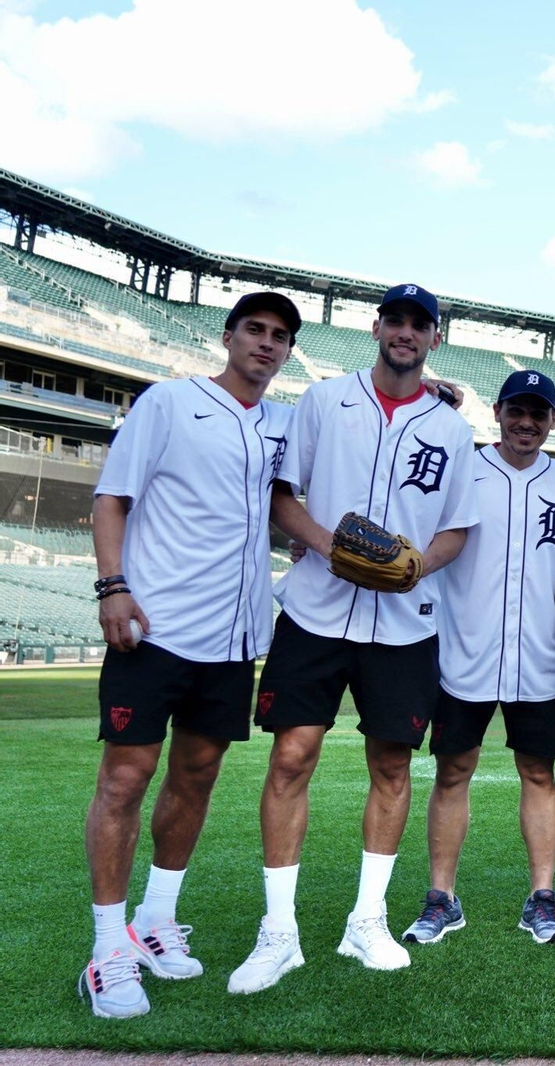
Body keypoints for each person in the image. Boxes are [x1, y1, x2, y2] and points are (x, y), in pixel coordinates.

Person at [228, 283, 479, 993]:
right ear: (376, 327)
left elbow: (458, 530)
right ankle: (278, 933)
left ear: (435, 339)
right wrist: (335, 550)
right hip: (313, 610)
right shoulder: (323, 400)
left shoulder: (453, 430)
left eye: (418, 324)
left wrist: (413, 568)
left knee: (392, 767)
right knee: (291, 758)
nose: (405, 332)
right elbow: (283, 495)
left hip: (402, 625)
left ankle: (365, 921)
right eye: (395, 319)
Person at [80, 292, 297, 1018]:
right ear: (229, 336)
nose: (266, 345)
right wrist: (113, 586)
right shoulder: (169, 404)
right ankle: (108, 947)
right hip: (154, 625)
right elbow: (112, 497)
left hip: (233, 639)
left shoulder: (283, 423)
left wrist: (438, 393)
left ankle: (154, 919)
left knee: (197, 774)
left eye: (279, 337)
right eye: (255, 330)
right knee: (125, 778)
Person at [398, 369, 555, 947]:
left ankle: (542, 898)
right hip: (463, 651)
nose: (526, 422)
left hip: (541, 656)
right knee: (453, 771)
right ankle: (441, 896)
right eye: (516, 410)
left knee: (538, 772)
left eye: (538, 413)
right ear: (497, 411)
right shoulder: (464, 469)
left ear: (553, 420)